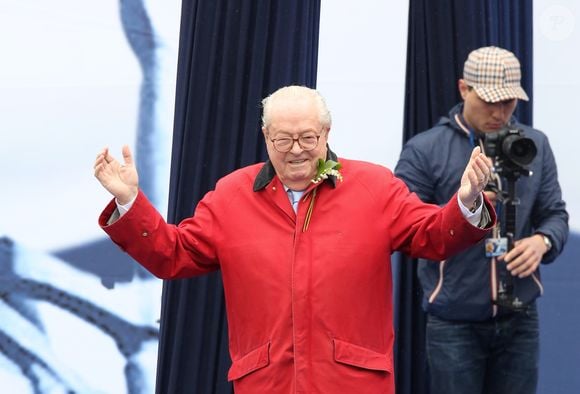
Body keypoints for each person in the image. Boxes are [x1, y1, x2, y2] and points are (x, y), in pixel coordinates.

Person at [94, 85, 496, 394]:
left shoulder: (374, 187)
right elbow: (173, 254)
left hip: (353, 383)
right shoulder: (232, 195)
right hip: (267, 382)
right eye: (283, 140)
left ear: (326, 133)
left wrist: (465, 203)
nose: (296, 151)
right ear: (266, 136)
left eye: (307, 138)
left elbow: (433, 237)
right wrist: (131, 201)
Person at [395, 46, 569, 394]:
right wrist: (464, 205)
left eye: (508, 102)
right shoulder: (425, 149)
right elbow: (406, 227)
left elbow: (555, 214)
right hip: (453, 323)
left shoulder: (535, 143)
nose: (500, 112)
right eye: (490, 101)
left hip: (520, 318)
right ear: (463, 89)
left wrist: (542, 241)